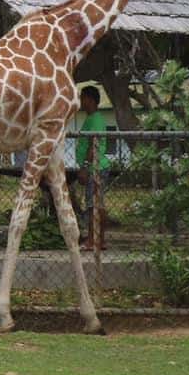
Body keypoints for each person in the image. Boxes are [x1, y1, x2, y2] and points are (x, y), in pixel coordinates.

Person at [71, 86, 113, 252]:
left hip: (95, 168)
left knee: (94, 205)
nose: (81, 101)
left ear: (89, 99)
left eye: (82, 97)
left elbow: (92, 146)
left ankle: (93, 239)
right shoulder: (91, 118)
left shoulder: (95, 119)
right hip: (94, 167)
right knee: (95, 204)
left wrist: (85, 167)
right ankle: (97, 239)